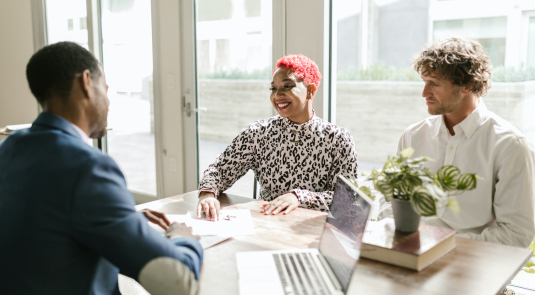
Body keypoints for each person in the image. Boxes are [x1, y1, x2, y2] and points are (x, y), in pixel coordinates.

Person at [0, 42, 203, 295]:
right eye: (106, 89)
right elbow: (179, 283)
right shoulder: (88, 168)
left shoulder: (8, 148)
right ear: (87, 82)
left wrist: (119, 221)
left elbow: (45, 226)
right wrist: (183, 238)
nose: (109, 101)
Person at [378, 37, 535, 249]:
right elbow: (390, 201)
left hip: (472, 268)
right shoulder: (413, 136)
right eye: (424, 82)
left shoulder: (510, 146)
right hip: (408, 255)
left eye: (434, 84)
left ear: (468, 85)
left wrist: (438, 244)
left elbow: (517, 236)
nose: (424, 93)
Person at [197, 54, 359, 220]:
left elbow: (347, 201)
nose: (277, 95)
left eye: (287, 86)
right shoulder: (257, 133)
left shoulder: (339, 139)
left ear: (310, 91)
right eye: (273, 89)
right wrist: (207, 194)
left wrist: (299, 197)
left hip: (312, 232)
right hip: (267, 226)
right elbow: (219, 170)